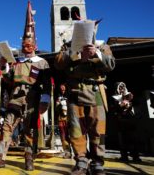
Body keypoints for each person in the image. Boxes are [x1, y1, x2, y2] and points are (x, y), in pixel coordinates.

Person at [0, 1, 51, 171]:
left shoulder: (43, 63)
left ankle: (29, 158)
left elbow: (47, 85)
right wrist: (3, 66)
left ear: (35, 46)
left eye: (29, 45)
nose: (26, 48)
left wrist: (45, 101)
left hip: (33, 100)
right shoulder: (16, 63)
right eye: (23, 45)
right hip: (16, 99)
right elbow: (8, 80)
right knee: (6, 127)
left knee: (30, 131)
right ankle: (0, 158)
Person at [54, 19, 115, 175]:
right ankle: (81, 162)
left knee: (98, 130)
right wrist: (74, 52)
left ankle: (98, 163)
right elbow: (59, 63)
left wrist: (97, 54)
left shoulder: (103, 46)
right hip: (75, 92)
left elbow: (111, 65)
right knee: (76, 130)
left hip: (96, 92)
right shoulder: (67, 46)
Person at [112, 82, 141, 162]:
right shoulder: (114, 97)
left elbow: (136, 104)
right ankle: (124, 157)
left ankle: (136, 156)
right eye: (120, 87)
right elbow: (113, 108)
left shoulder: (130, 95)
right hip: (121, 120)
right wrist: (121, 105)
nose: (122, 89)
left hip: (131, 120)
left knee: (134, 138)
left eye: (123, 87)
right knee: (122, 139)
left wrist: (129, 104)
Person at [56, 83, 72, 159]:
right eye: (61, 88)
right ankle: (67, 152)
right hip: (61, 118)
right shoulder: (58, 96)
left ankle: (77, 152)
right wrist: (58, 105)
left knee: (72, 135)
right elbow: (56, 108)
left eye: (64, 88)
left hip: (70, 118)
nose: (62, 89)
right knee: (63, 136)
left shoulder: (71, 95)